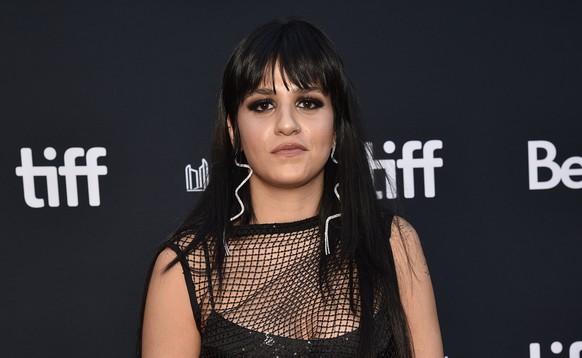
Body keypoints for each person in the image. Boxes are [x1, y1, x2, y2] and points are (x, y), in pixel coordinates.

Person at [139, 19, 443, 358]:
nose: (287, 124)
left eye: (309, 102)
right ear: (233, 129)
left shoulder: (392, 243)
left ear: (336, 124)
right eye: (263, 104)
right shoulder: (189, 267)